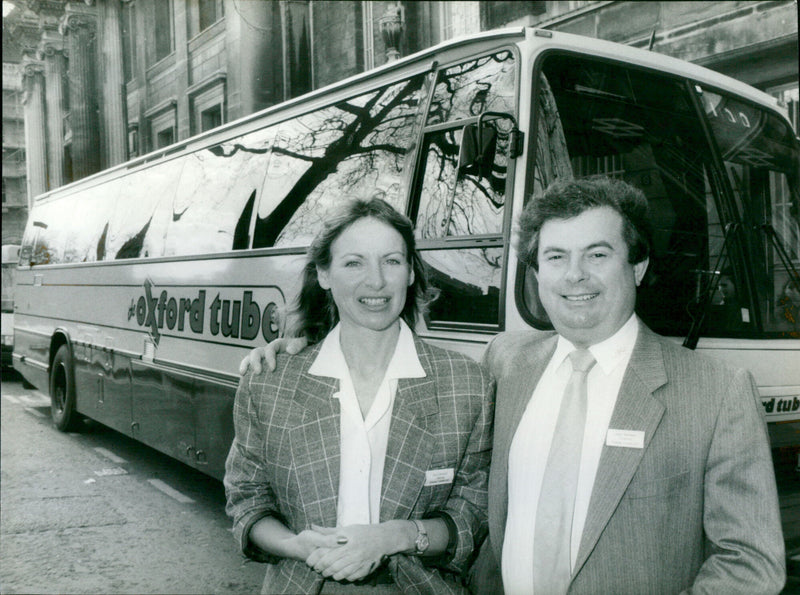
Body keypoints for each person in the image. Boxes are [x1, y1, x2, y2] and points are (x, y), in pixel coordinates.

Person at [242, 177, 786, 594]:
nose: (575, 276)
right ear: (536, 271)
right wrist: (295, 346)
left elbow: (751, 562)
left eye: (597, 254)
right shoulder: (505, 364)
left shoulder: (715, 391)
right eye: (555, 257)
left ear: (637, 266)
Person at [224, 197, 494, 595]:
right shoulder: (270, 381)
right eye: (354, 263)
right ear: (324, 274)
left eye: (391, 261)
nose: (377, 282)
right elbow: (247, 500)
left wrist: (395, 536)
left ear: (410, 273)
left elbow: (473, 513)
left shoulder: (467, 384)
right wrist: (293, 545)